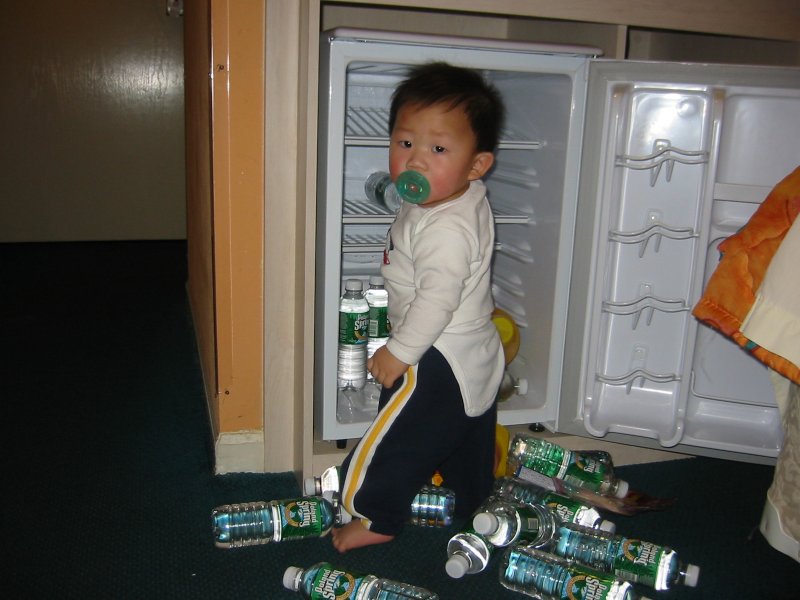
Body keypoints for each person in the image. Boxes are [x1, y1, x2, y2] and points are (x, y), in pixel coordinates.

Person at [332, 62, 506, 552]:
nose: (416, 161)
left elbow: (437, 299)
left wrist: (400, 352)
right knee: (463, 430)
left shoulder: (446, 228)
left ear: (476, 165)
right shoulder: (454, 200)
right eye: (405, 142)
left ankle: (376, 514)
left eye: (438, 149)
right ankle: (471, 504)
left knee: (396, 437)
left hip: (436, 352)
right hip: (473, 349)